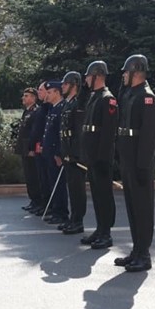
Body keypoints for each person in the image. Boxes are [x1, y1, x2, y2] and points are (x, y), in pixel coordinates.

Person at [115, 54, 155, 272]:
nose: (123, 75)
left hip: (139, 159)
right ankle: (136, 249)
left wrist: (142, 165)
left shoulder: (147, 97)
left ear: (135, 72)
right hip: (127, 157)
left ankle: (145, 253)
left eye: (126, 71)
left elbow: (149, 135)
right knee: (132, 207)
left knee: (142, 208)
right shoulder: (129, 94)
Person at [79, 61, 119, 249]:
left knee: (104, 195)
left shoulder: (107, 98)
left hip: (101, 157)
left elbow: (108, 133)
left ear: (97, 76)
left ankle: (106, 232)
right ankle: (100, 228)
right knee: (96, 194)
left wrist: (102, 158)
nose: (86, 79)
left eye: (88, 76)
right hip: (92, 156)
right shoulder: (93, 97)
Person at [58, 71, 88, 235]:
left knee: (78, 189)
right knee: (72, 188)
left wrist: (75, 154)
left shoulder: (78, 105)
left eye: (65, 84)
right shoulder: (67, 104)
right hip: (68, 153)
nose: (63, 86)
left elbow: (79, 132)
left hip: (76, 156)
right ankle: (73, 218)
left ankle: (78, 221)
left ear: (74, 85)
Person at [40, 81, 68, 224]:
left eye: (50, 92)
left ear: (57, 92)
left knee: (59, 185)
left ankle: (61, 212)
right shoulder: (52, 108)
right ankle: (56, 210)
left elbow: (60, 134)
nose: (47, 95)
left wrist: (58, 153)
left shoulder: (62, 108)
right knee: (52, 183)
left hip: (55, 153)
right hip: (49, 152)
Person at [16, 86, 43, 213]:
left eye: (26, 96)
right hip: (25, 148)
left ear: (33, 98)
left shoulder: (36, 112)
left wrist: (32, 148)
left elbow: (35, 132)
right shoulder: (26, 111)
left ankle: (38, 201)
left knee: (34, 176)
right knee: (29, 176)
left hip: (31, 149)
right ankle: (33, 200)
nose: (23, 98)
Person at [28, 81, 51, 215]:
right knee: (41, 179)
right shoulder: (43, 108)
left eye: (41, 90)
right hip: (38, 147)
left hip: (44, 148)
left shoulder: (48, 108)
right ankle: (43, 204)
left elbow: (45, 130)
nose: (39, 93)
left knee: (47, 180)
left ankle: (49, 206)